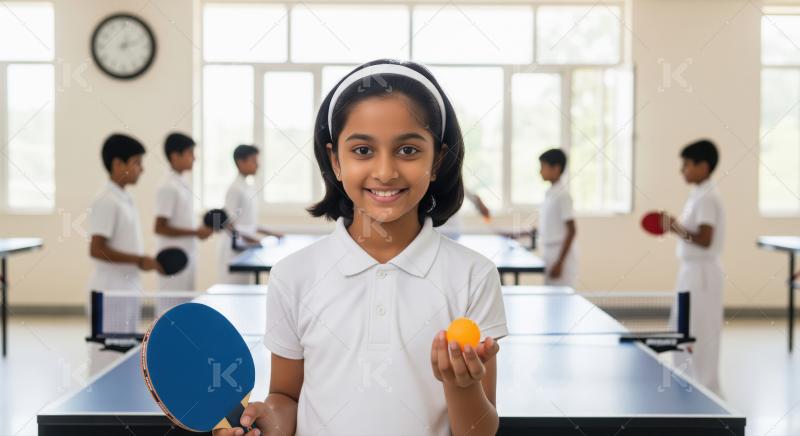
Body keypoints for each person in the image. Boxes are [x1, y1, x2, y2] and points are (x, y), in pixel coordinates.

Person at [214, 59, 507, 436]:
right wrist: (269, 422)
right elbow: (286, 396)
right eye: (363, 151)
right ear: (335, 160)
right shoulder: (293, 276)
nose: (385, 172)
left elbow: (479, 431)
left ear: (438, 160)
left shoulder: (474, 275)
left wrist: (461, 385)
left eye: (408, 150)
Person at [663, 139, 725, 393]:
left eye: (687, 164)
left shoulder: (708, 197)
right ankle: (686, 383)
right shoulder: (697, 194)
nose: (682, 170)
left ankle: (707, 390)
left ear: (704, 166)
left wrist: (674, 227)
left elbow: (705, 238)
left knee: (700, 332)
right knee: (683, 328)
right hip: (690, 271)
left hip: (703, 274)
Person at [88, 133, 161, 332]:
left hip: (126, 288)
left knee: (124, 350)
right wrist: (139, 260)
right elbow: (96, 249)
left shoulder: (124, 197)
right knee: (107, 356)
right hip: (110, 292)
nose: (142, 169)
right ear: (118, 164)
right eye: (137, 162)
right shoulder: (106, 200)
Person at [154, 132, 212, 292]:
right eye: (190, 153)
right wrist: (195, 232)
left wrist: (200, 229)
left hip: (187, 255)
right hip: (173, 259)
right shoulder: (168, 187)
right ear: (175, 156)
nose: (194, 158)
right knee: (172, 310)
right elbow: (160, 227)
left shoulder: (183, 183)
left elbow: (183, 219)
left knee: (185, 305)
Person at [217, 144, 282, 284]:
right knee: (233, 292)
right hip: (233, 250)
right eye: (253, 160)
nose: (257, 164)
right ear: (241, 162)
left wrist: (269, 232)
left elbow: (247, 222)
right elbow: (227, 223)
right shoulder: (234, 189)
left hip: (244, 248)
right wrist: (251, 239)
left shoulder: (247, 187)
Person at [537, 148, 577, 287]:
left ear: (556, 168)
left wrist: (560, 262)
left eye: (543, 167)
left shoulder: (563, 195)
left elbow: (572, 230)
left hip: (559, 254)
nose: (540, 171)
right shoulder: (549, 193)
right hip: (549, 252)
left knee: (562, 300)